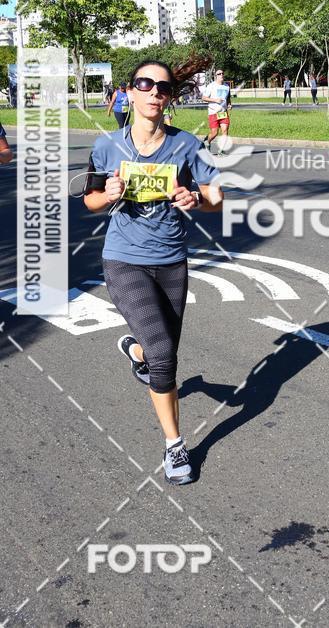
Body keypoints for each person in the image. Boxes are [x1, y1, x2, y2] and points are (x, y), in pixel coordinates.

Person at [84, 55, 223, 485]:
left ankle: (137, 351)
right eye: (144, 84)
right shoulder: (107, 146)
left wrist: (195, 199)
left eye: (163, 87)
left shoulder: (187, 145)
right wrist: (108, 194)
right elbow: (90, 200)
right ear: (129, 92)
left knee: (163, 352)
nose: (153, 93)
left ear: (170, 98)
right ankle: (174, 445)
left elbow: (217, 197)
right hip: (123, 258)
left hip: (171, 262)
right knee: (164, 356)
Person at [203, 69, 231, 154]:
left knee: (225, 130)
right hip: (213, 112)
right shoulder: (211, 86)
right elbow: (204, 98)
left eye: (222, 73)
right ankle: (207, 141)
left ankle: (221, 150)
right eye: (219, 74)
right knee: (214, 133)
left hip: (223, 112)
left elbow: (228, 98)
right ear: (216, 76)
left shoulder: (227, 86)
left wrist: (229, 104)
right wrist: (215, 100)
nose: (221, 75)